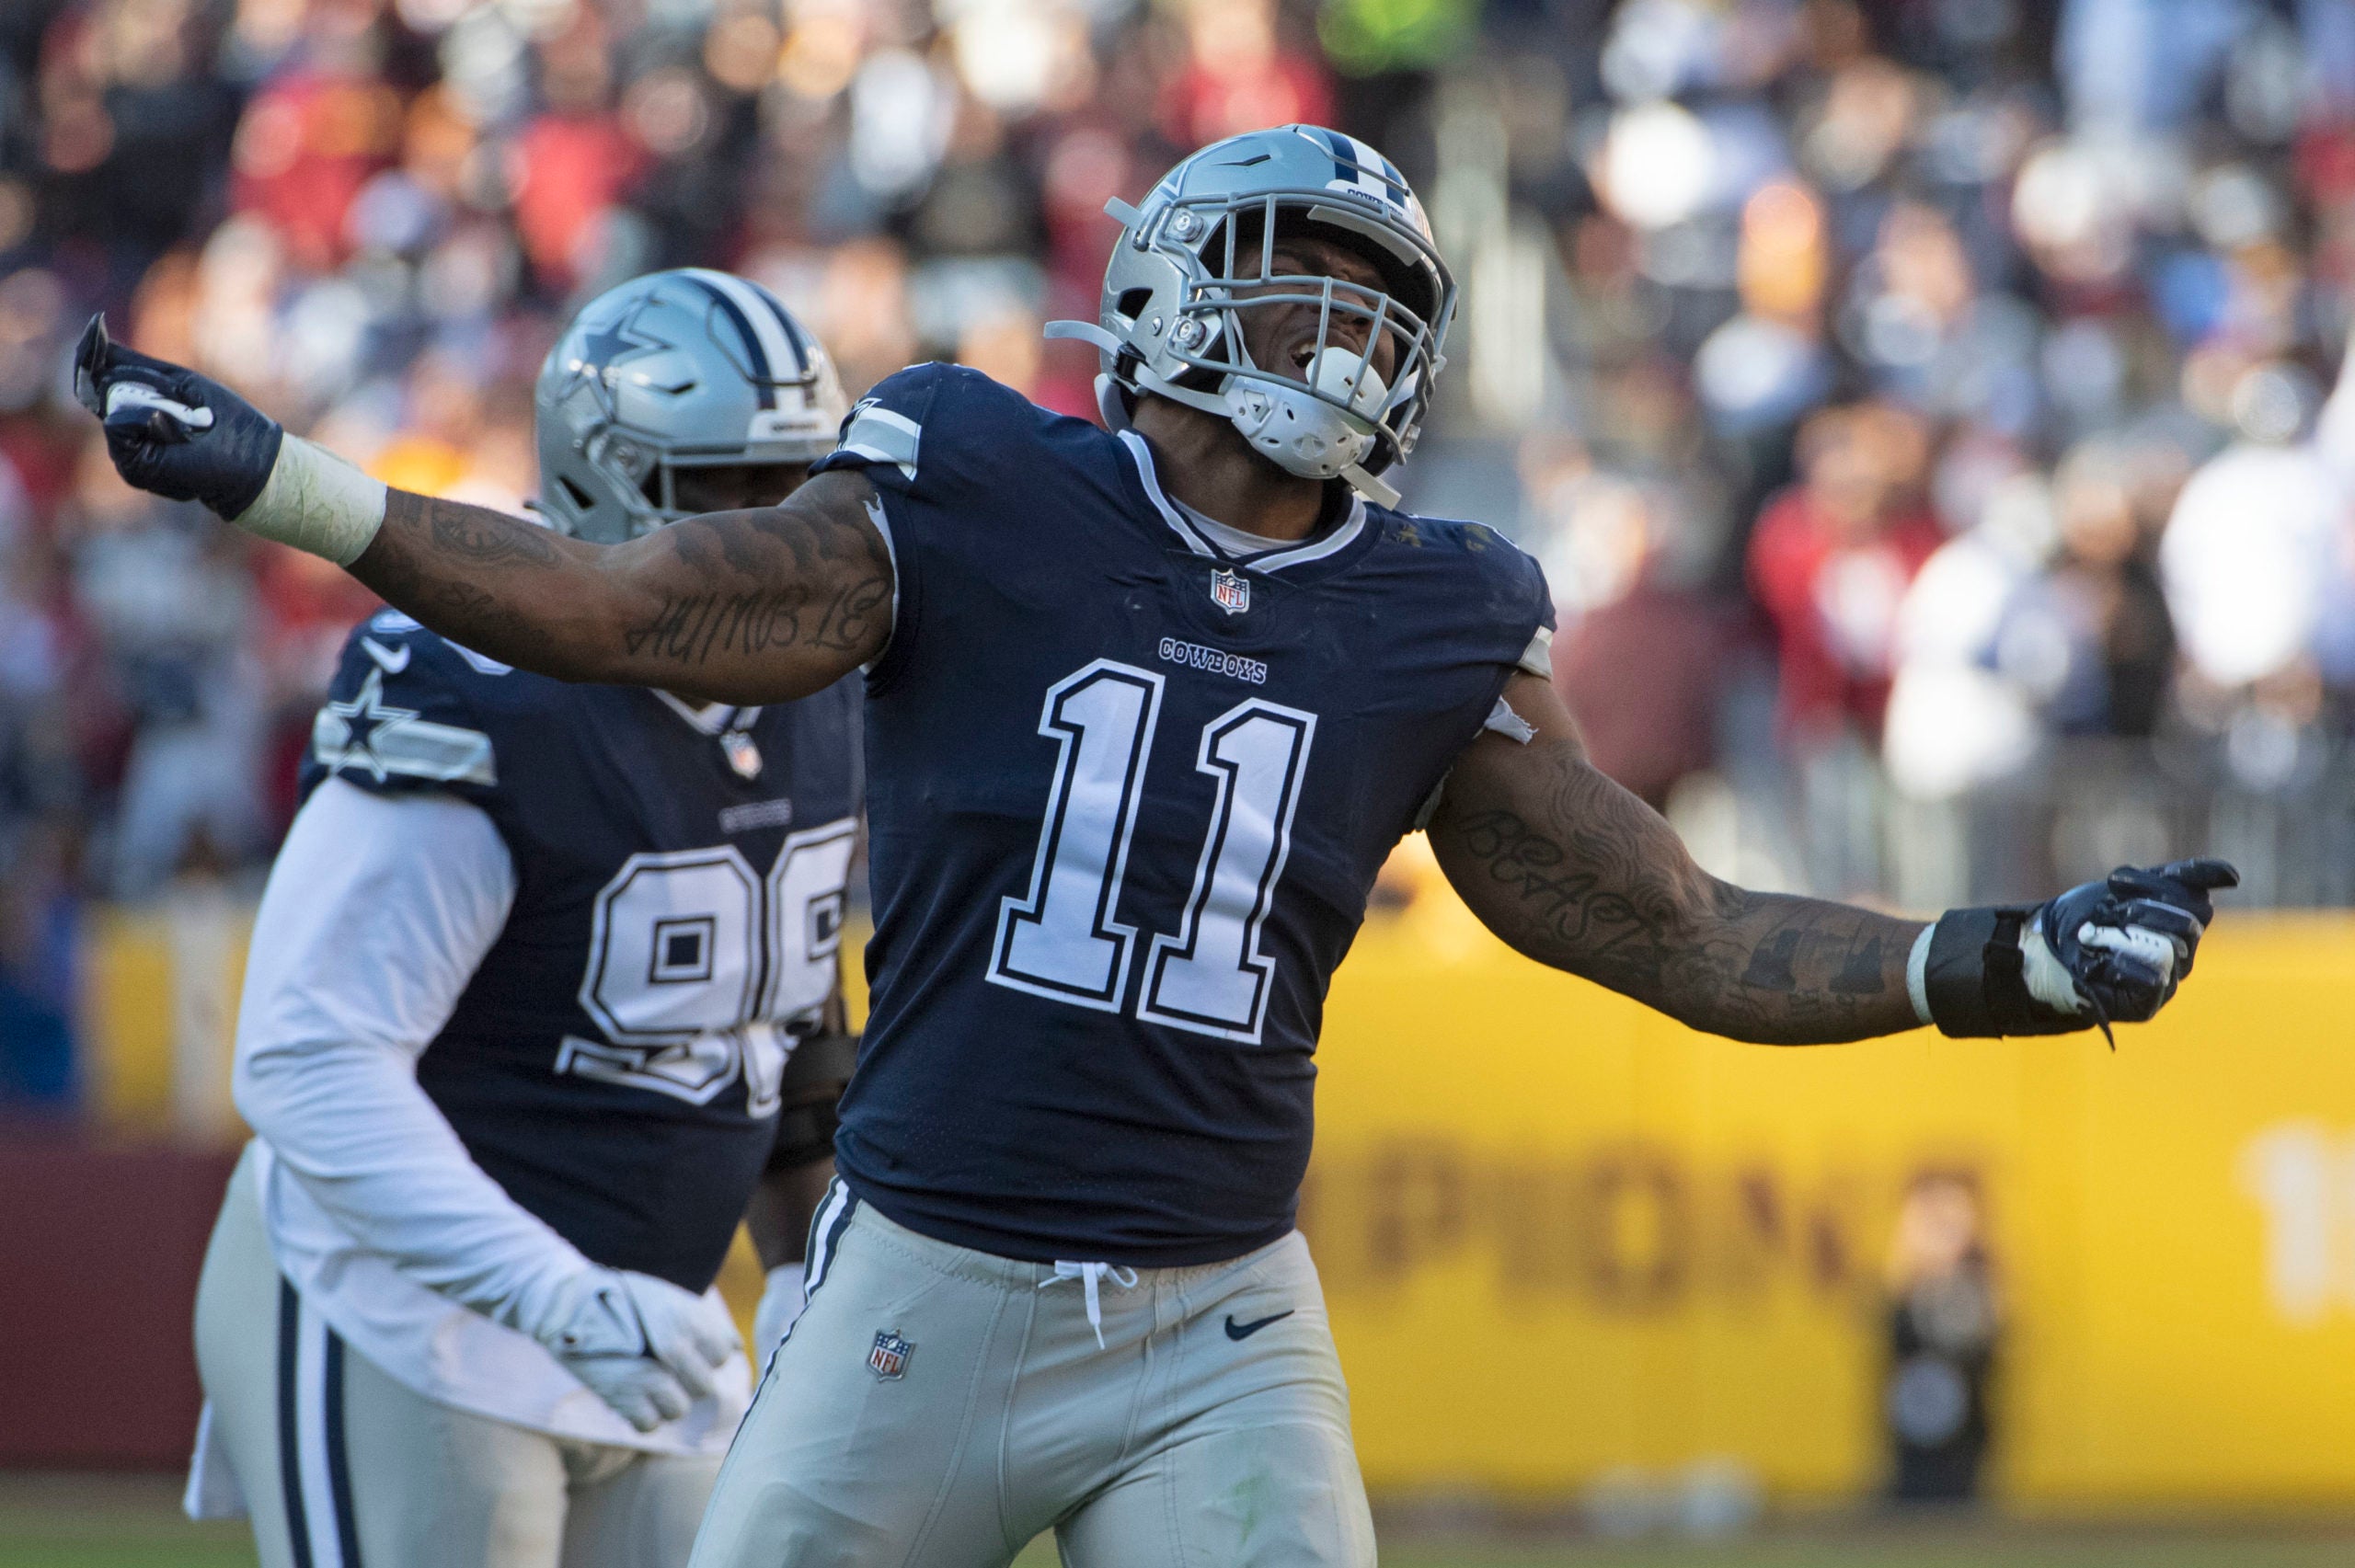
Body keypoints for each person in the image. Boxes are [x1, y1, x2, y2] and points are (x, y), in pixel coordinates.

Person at [81, 126, 2233, 1568]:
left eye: (1378, 298)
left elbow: (1668, 924)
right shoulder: (979, 491)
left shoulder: (1430, 609)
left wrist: (2003, 960)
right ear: (1176, 292)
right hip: (919, 1284)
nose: (1349, 335)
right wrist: (298, 487)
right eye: (1301, 283)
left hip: (1218, 1316)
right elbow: (625, 608)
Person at [175, 269, 864, 1568]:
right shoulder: (488, 697)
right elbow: (307, 1061)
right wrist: (549, 1290)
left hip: (650, 1334)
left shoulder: (824, 689)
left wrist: (809, 1282)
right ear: (611, 485)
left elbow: (786, 1033)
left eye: (803, 485)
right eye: (731, 488)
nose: (774, 536)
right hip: (400, 1310)